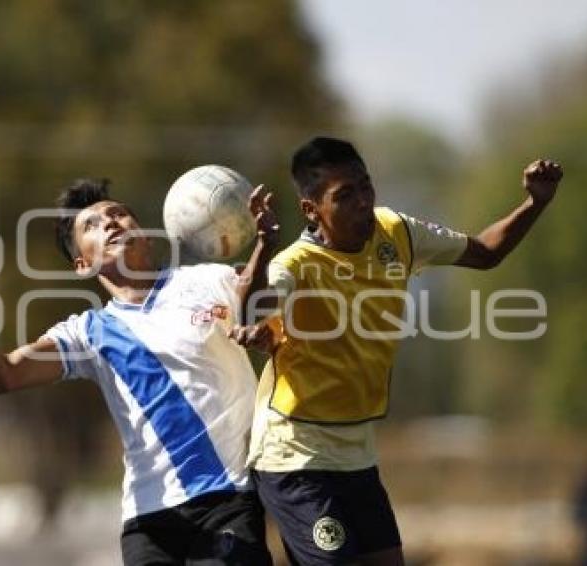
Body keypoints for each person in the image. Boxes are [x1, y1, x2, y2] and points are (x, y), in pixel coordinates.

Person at [0, 178, 278, 565]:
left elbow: (257, 303)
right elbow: (4, 375)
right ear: (83, 264)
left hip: (229, 498)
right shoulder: (87, 332)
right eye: (93, 225)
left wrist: (265, 247)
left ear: (146, 237)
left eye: (119, 215)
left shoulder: (205, 280)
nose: (112, 223)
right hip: (150, 517)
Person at [234, 136, 563, 566]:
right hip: (294, 454)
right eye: (345, 195)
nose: (363, 202)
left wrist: (535, 204)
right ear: (312, 210)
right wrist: (264, 246)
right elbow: (248, 307)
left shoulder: (397, 232)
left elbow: (484, 252)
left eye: (365, 186)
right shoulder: (292, 264)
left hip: (357, 454)